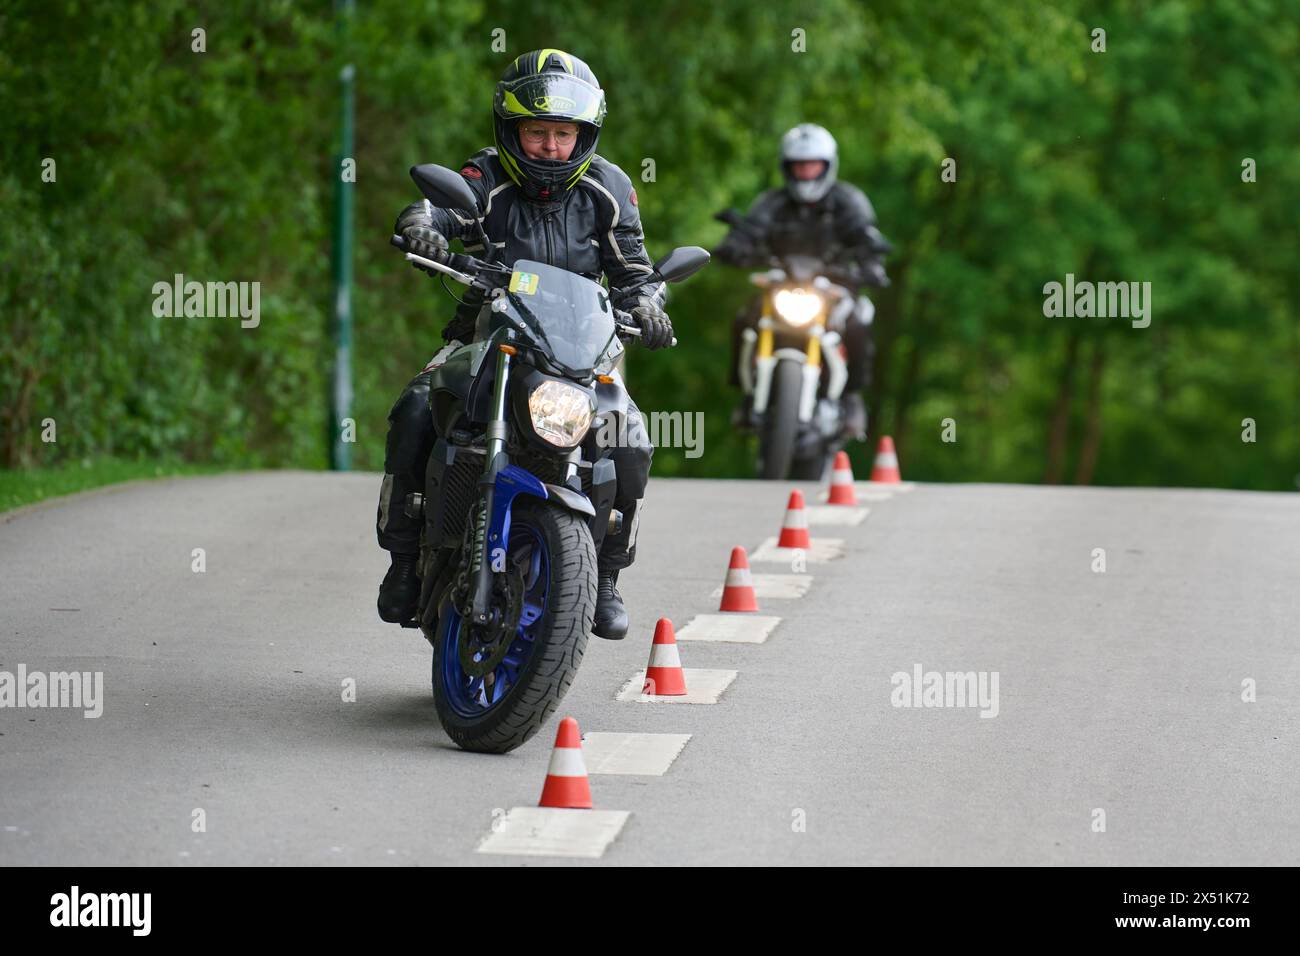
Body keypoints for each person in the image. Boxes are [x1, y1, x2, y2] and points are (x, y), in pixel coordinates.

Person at [375, 49, 673, 641]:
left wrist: (648, 306)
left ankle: (607, 576)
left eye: (563, 134)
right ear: (511, 129)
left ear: (584, 134)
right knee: (414, 409)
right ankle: (403, 559)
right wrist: (423, 228)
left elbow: (637, 272)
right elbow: (438, 204)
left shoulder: (609, 188)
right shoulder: (488, 176)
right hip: (491, 331)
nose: (550, 147)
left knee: (630, 440)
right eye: (537, 132)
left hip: (584, 349)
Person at [714, 123, 891, 437]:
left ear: (827, 166)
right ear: (787, 167)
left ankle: (851, 399)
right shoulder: (773, 202)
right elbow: (750, 231)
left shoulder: (848, 201)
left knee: (858, 324)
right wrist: (734, 248)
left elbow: (866, 237)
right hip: (782, 285)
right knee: (744, 319)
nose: (806, 172)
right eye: (799, 166)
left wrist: (871, 264)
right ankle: (745, 393)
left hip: (833, 288)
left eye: (813, 165)